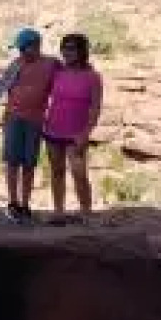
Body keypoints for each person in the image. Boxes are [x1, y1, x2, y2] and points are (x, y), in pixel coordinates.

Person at [0, 27, 59, 222]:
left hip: (36, 121)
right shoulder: (16, 65)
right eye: (19, 49)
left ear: (36, 46)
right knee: (12, 162)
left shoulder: (52, 65)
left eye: (23, 48)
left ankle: (25, 205)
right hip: (14, 119)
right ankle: (13, 203)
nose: (20, 52)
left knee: (29, 163)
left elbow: (67, 82)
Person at [43, 32, 104, 216]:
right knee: (57, 172)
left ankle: (86, 212)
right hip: (53, 129)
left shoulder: (93, 77)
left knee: (79, 174)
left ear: (81, 51)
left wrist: (86, 133)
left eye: (71, 48)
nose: (67, 52)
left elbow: (95, 107)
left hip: (76, 133)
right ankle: (58, 212)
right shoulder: (57, 73)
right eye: (64, 48)